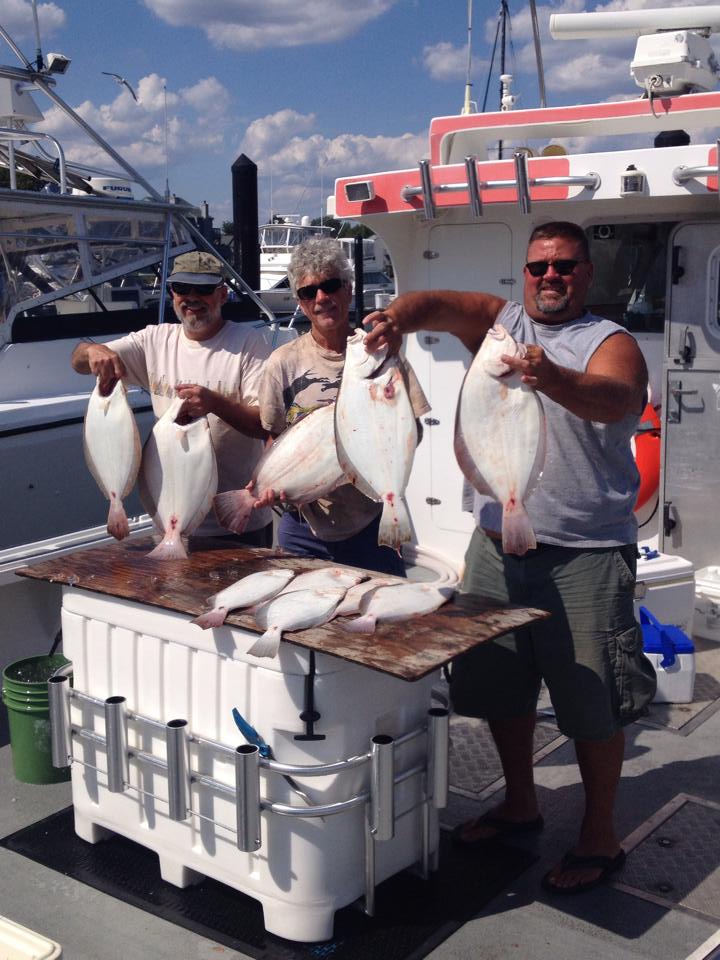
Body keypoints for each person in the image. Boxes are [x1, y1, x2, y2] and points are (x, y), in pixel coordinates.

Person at [364, 220, 657, 894]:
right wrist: (395, 320)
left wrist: (549, 375)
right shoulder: (502, 322)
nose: (549, 278)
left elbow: (615, 399)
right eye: (538, 268)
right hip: (496, 544)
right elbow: (435, 306)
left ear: (587, 273)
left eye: (564, 267)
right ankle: (521, 802)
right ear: (523, 275)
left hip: (583, 553)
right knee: (500, 688)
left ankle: (599, 834)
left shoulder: (608, 343)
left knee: (590, 699)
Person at [71, 250, 273, 548]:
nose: (192, 298)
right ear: (170, 293)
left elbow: (262, 424)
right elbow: (77, 360)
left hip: (237, 520)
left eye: (203, 289)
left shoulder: (248, 344)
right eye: (182, 288)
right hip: (168, 518)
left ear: (222, 295)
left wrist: (214, 404)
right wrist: (93, 351)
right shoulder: (153, 340)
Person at [256, 237, 429, 575]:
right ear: (300, 303)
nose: (322, 298)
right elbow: (274, 438)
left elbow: (416, 432)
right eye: (309, 292)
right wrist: (276, 483)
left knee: (379, 620)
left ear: (348, 289)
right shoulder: (282, 363)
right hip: (301, 529)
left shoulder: (381, 354)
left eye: (330, 285)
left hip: (370, 523)